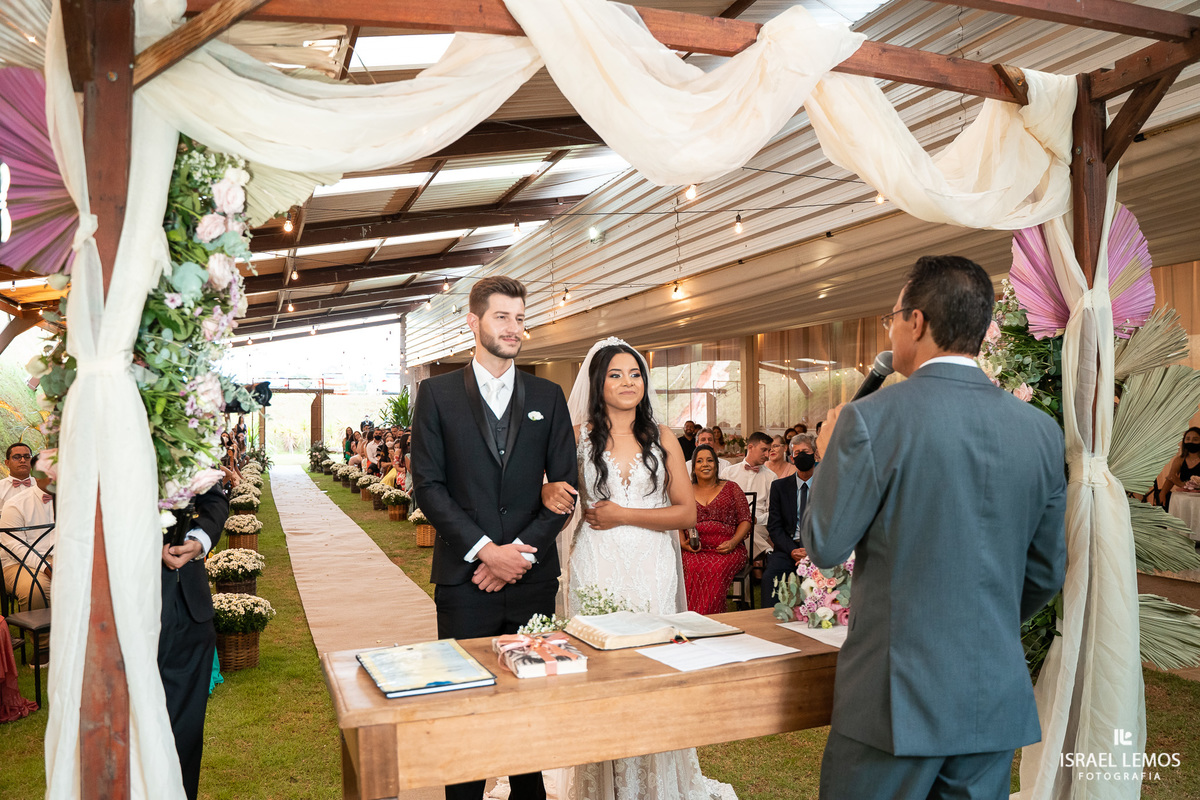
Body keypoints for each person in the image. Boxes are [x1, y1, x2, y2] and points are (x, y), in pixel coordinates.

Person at [802, 255, 1066, 800]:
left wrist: (828, 457)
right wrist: (978, 621)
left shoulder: (872, 418)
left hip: (893, 700)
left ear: (916, 322)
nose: (892, 329)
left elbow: (825, 544)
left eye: (892, 317)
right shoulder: (1039, 431)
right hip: (987, 695)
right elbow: (1045, 570)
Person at [545, 337, 738, 800]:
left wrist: (624, 515)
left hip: (651, 564)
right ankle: (600, 784)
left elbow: (687, 513)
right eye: (615, 374)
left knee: (654, 667)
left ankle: (658, 784)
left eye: (635, 374)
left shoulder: (664, 438)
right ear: (598, 381)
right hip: (595, 563)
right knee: (603, 670)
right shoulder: (576, 436)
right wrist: (546, 491)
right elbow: (553, 491)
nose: (627, 382)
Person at [411, 276, 577, 800]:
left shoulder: (548, 397)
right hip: (466, 581)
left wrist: (518, 556)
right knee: (465, 703)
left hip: (531, 581)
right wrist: (486, 551)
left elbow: (565, 489)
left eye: (521, 318)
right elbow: (429, 488)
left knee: (532, 705)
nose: (514, 328)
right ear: (474, 322)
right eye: (503, 317)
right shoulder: (436, 395)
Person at [159, 481, 229, 800]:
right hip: (119, 606)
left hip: (187, 604)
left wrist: (197, 540)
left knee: (184, 735)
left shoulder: (187, 430)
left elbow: (214, 499)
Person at [681, 444, 751, 615]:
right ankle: (690, 618)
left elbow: (745, 520)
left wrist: (734, 542)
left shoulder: (732, 488)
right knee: (690, 566)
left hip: (727, 549)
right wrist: (683, 543)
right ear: (693, 467)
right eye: (700, 461)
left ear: (717, 465)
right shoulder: (685, 491)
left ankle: (710, 619)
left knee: (715, 568)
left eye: (710, 460)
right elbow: (677, 519)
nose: (705, 464)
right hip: (695, 548)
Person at [763, 434, 818, 605]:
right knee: (769, 577)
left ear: (815, 455)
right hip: (788, 549)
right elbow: (774, 526)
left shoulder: (827, 485)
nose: (801, 456)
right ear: (792, 458)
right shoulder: (779, 486)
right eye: (797, 452)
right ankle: (770, 626)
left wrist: (811, 551)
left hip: (818, 550)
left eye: (805, 451)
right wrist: (793, 551)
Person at [0, 471, 55, 613]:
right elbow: (14, 547)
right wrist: (46, 567)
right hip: (18, 562)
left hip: (59, 558)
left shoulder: (74, 500)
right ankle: (43, 635)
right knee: (36, 590)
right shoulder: (15, 504)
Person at [719, 431, 774, 557]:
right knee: (740, 529)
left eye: (769, 451)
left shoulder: (771, 477)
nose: (767, 455)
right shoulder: (728, 473)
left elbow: (773, 512)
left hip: (758, 526)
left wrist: (756, 519)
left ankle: (752, 567)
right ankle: (767, 552)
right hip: (731, 523)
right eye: (764, 450)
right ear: (750, 447)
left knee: (747, 529)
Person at [1165, 427, 1200, 506]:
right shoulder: (1179, 460)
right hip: (1184, 500)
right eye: (1188, 439)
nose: (1191, 442)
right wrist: (1162, 494)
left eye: (1195, 439)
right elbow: (1170, 478)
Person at [0, 443, 35, 508]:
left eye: (27, 457)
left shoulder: (41, 486)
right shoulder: (1, 488)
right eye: (16, 457)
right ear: (7, 463)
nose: (23, 460)